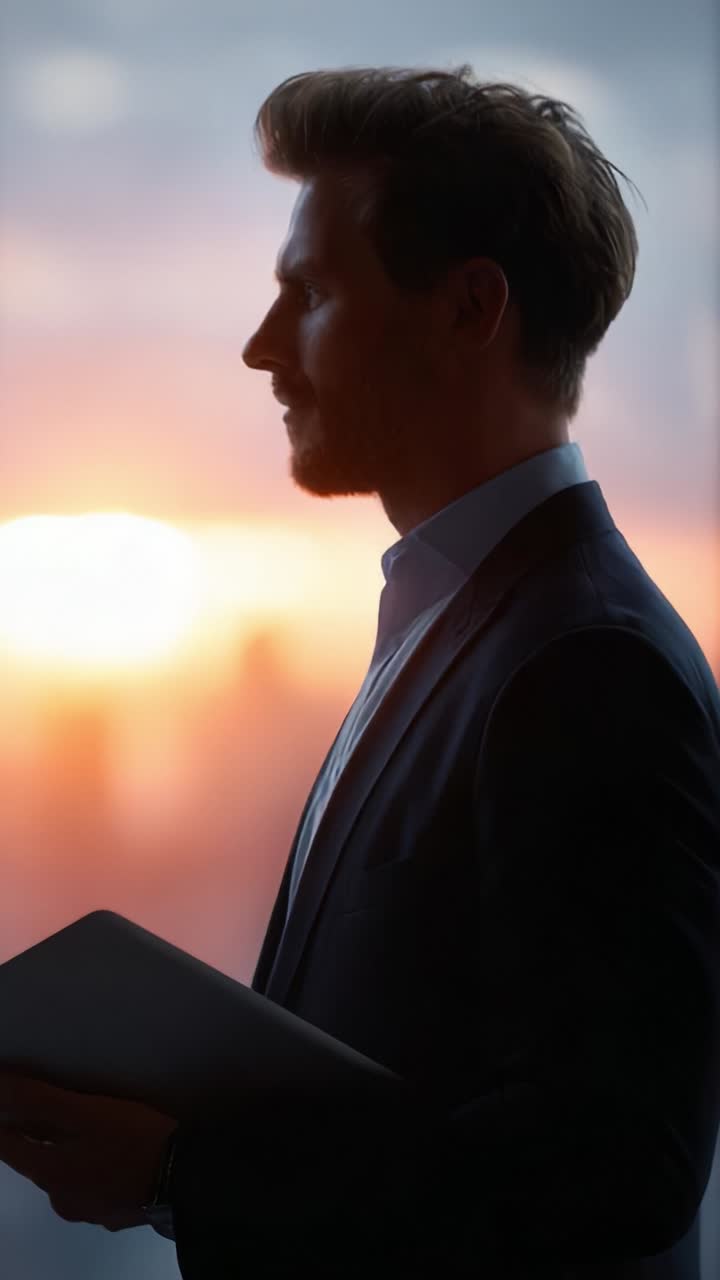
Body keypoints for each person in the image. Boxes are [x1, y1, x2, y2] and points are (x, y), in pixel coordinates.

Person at [0, 63, 719, 1280]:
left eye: (312, 293)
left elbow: (616, 1161)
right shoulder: (472, 623)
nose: (260, 347)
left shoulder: (586, 663)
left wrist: (179, 1174)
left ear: (467, 310)